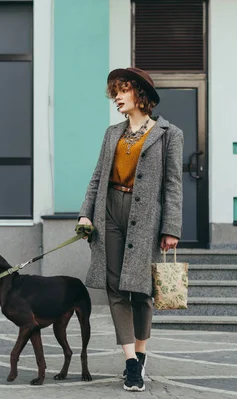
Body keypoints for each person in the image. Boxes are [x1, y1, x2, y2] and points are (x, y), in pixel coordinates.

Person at [77, 67, 183, 392]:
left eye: (122, 91)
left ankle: (141, 351)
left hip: (146, 219)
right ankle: (130, 363)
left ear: (140, 94)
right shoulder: (112, 133)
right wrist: (85, 215)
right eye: (115, 93)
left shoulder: (169, 134)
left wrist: (171, 228)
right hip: (110, 212)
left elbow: (173, 185)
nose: (117, 98)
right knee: (115, 288)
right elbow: (97, 177)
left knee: (143, 291)